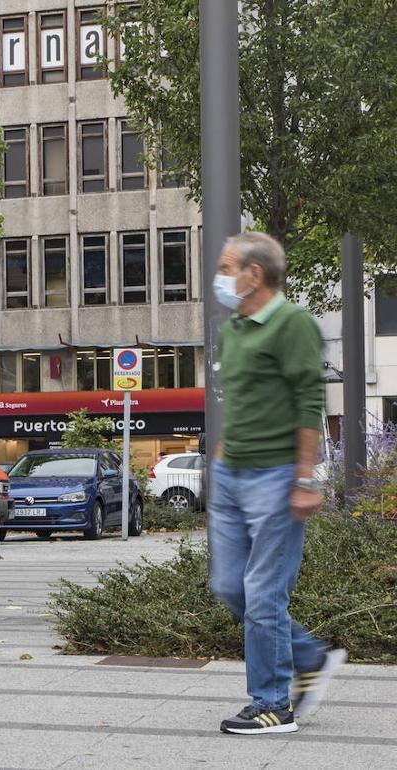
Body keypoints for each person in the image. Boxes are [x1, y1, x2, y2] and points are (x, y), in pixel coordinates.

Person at [209, 232, 347, 736]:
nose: (220, 277)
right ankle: (310, 655)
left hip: (276, 476)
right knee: (228, 585)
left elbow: (310, 403)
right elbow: (240, 400)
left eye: (227, 267)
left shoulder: (294, 325)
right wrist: (221, 458)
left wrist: (306, 478)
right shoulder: (234, 328)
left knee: (263, 592)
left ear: (255, 274)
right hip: (230, 474)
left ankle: (272, 705)